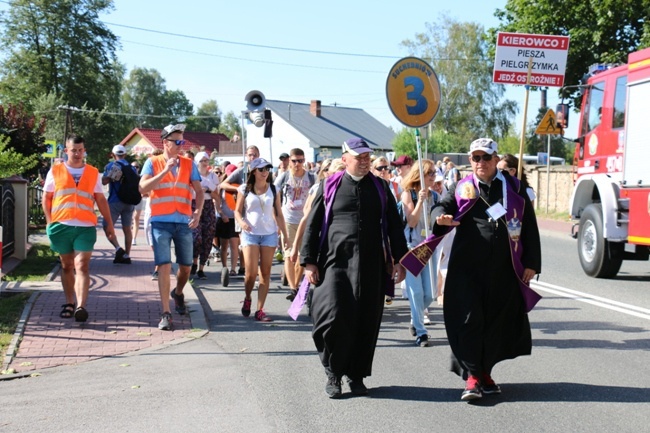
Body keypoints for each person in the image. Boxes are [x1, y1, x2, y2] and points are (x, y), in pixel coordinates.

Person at [429, 138, 541, 401]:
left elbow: (530, 225)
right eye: (475, 158)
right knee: (469, 320)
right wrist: (439, 218)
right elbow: (442, 206)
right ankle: (471, 377)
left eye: (486, 157)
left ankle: (485, 373)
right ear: (470, 161)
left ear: (495, 159)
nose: (481, 163)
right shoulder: (460, 187)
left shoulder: (514, 187)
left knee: (495, 323)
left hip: (504, 269)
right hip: (467, 269)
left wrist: (532, 263)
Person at [300, 137, 408, 399]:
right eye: (358, 157)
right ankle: (333, 372)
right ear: (345, 158)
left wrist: (401, 259)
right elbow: (313, 225)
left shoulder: (381, 187)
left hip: (371, 263)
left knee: (366, 319)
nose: (364, 161)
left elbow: (394, 226)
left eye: (367, 157)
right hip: (334, 262)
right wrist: (309, 261)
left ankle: (356, 375)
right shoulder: (328, 186)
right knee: (332, 316)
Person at [42, 134, 115, 323]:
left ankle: (81, 307)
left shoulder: (92, 172)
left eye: (80, 150)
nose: (77, 153)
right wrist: (50, 222)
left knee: (82, 265)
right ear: (66, 151)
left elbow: (100, 199)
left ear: (84, 151)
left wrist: (109, 224)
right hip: (61, 225)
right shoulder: (55, 171)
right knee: (66, 266)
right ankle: (69, 302)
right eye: (73, 150)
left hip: (85, 226)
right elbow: (47, 198)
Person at [139, 124, 204, 331]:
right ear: (165, 143)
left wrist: (198, 212)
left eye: (182, 141)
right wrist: (165, 170)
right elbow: (142, 188)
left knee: (186, 267)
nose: (181, 145)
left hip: (184, 222)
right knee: (165, 265)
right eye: (177, 142)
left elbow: (199, 192)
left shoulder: (189, 163)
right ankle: (166, 313)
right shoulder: (152, 162)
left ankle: (178, 292)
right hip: (160, 222)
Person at [234, 158, 288, 322]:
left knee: (265, 273)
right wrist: (242, 222)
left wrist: (285, 236)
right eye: (261, 169)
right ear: (253, 171)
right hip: (250, 234)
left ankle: (260, 310)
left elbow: (278, 213)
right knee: (250, 274)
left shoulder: (274, 188)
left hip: (269, 234)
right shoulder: (244, 189)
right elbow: (237, 211)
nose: (265, 172)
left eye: (267, 169)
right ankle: (248, 296)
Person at [400, 159, 441, 347]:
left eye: (434, 172)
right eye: (430, 173)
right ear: (420, 175)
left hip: (429, 248)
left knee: (430, 294)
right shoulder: (409, 194)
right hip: (413, 249)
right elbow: (412, 222)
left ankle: (414, 319)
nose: (434, 176)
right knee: (416, 292)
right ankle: (421, 332)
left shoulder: (436, 196)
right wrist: (420, 201)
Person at [274, 148, 316, 301]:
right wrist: (276, 219)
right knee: (289, 254)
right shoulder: (284, 177)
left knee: (300, 256)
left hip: (305, 220)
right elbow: (273, 194)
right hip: (288, 219)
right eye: (294, 161)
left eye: (300, 160)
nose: (297, 164)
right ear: (289, 161)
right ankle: (293, 288)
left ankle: (297, 285)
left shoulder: (311, 177)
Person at [220, 145, 260, 275]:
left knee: (256, 244)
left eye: (254, 154)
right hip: (243, 213)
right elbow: (223, 184)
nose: (252, 157)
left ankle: (246, 268)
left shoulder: (264, 171)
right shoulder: (242, 171)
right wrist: (238, 189)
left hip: (258, 213)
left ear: (258, 155)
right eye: (250, 155)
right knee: (245, 243)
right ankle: (246, 269)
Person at [102, 145, 136, 264]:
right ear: (125, 155)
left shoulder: (111, 166)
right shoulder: (132, 168)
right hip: (130, 202)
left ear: (113, 154)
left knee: (107, 226)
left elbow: (104, 181)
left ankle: (118, 248)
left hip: (115, 201)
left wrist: (112, 177)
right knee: (127, 229)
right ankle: (127, 255)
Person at [190, 152, 219, 279]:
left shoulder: (213, 176)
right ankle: (194, 262)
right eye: (202, 160)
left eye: (206, 160)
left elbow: (216, 195)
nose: (205, 162)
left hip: (208, 206)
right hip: (194, 205)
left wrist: (207, 190)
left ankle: (201, 267)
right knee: (196, 237)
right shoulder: (193, 175)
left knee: (208, 235)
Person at [216, 163, 242, 285]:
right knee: (224, 245)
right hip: (224, 218)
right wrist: (222, 214)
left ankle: (232, 269)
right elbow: (217, 203)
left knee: (234, 244)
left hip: (235, 219)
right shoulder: (222, 186)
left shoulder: (239, 186)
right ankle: (224, 267)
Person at [130, 161, 145, 245]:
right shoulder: (127, 177)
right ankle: (128, 236)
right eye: (133, 167)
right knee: (128, 219)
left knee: (136, 217)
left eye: (136, 167)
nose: (135, 168)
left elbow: (144, 189)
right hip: (129, 200)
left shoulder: (141, 177)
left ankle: (134, 238)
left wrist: (143, 193)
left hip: (138, 200)